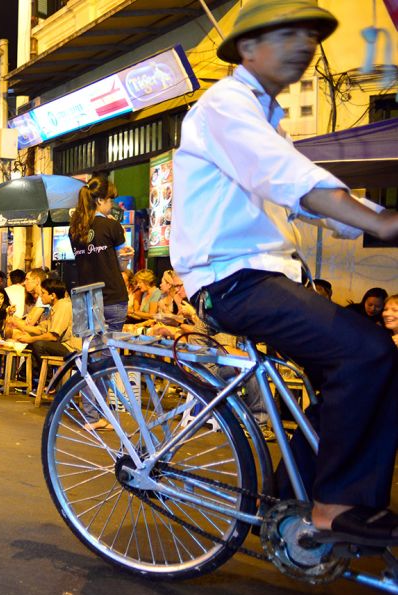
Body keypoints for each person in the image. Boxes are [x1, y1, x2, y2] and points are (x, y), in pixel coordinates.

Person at [172, 0, 398, 543]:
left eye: (311, 36)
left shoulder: (266, 118)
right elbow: (289, 178)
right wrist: (383, 224)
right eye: (290, 33)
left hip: (265, 279)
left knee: (357, 377)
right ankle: (334, 506)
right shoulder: (224, 105)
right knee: (367, 352)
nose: (305, 45)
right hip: (232, 281)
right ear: (248, 48)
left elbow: (302, 201)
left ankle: (284, 499)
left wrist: (371, 219)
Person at [69, 172, 133, 331]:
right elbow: (122, 266)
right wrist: (127, 257)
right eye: (110, 200)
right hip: (112, 298)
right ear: (99, 200)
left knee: (89, 350)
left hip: (85, 300)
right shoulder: (112, 226)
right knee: (108, 352)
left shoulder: (74, 230)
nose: (112, 204)